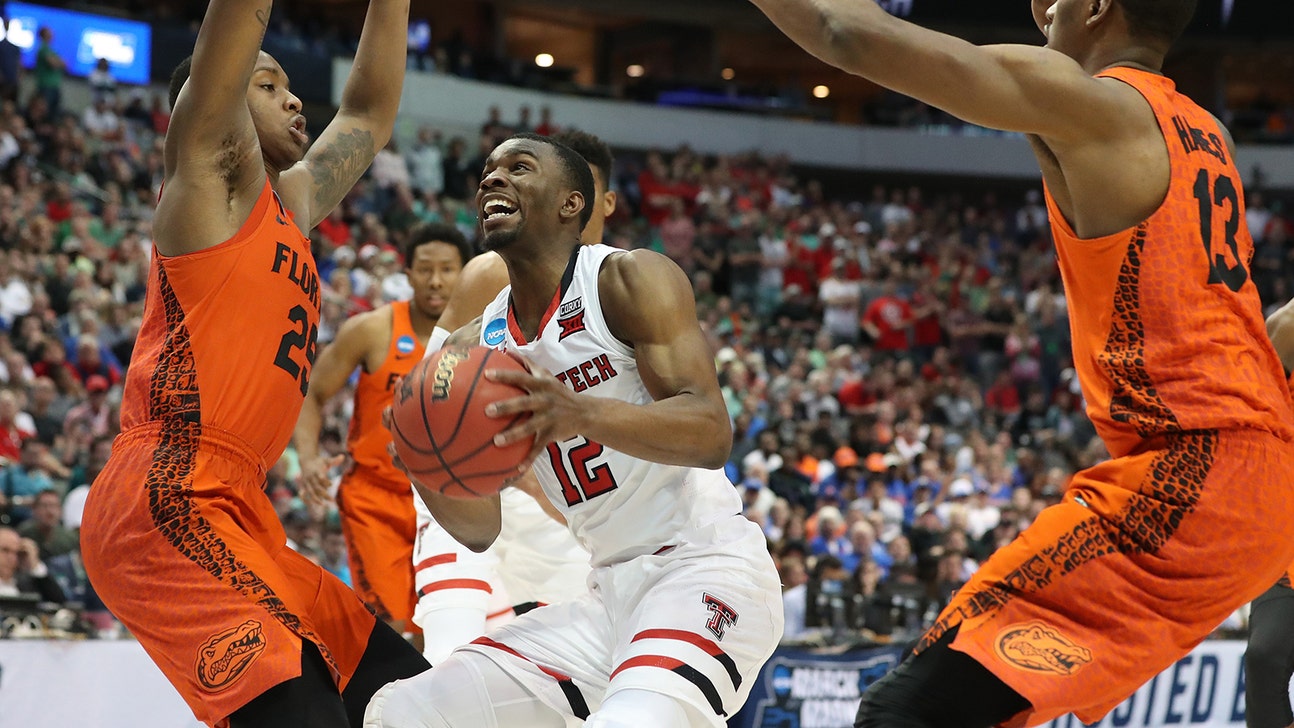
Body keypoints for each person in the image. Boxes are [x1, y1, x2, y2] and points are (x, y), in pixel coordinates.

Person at [749, 1, 1294, 726]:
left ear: (1098, 6)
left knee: (903, 715)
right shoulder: (1209, 134)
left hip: (1193, 476)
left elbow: (842, 31)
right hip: (1263, 487)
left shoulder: (1097, 106)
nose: (1040, 8)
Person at [77, 2, 428, 727]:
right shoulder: (208, 180)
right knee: (304, 710)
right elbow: (232, 29)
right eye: (268, 85)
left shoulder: (290, 203)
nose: (295, 98)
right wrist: (236, 66)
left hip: (240, 505)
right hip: (167, 491)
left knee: (413, 697)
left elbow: (366, 114)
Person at [366, 133, 784, 727]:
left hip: (704, 571)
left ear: (572, 204)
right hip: (606, 597)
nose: (492, 179)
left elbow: (711, 430)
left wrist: (581, 413)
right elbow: (480, 529)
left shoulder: (627, 280)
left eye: (518, 167)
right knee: (408, 711)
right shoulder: (475, 347)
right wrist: (422, 457)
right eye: (487, 170)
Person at [407, 129, 616, 665]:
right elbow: (436, 400)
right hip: (477, 482)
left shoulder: (620, 283)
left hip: (569, 507)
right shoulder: (490, 274)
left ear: (596, 201)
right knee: (450, 661)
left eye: (582, 194)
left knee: (565, 685)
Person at [293, 223, 472, 637]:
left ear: (465, 273)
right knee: (390, 628)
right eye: (425, 268)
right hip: (375, 499)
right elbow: (312, 394)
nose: (436, 279)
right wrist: (308, 457)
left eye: (447, 269)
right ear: (406, 274)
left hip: (449, 503)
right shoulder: (372, 329)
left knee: (443, 625)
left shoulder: (484, 337)